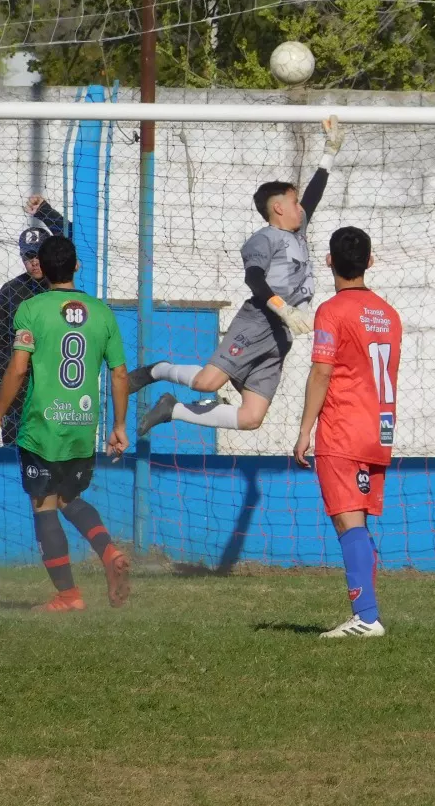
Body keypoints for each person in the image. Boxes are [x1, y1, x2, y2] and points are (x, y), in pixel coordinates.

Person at [131, 117, 345, 435]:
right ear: (278, 208)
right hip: (259, 321)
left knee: (251, 418)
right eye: (294, 201)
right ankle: (157, 370)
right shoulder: (265, 238)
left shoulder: (298, 233)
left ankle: (171, 410)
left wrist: (330, 150)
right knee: (207, 383)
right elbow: (255, 279)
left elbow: (313, 195)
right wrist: (283, 308)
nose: (301, 207)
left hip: (281, 336)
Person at [0, 235, 131, 612]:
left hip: (42, 426)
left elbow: (17, 368)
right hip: (83, 426)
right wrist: (120, 425)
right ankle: (108, 550)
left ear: (42, 270)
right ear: (77, 266)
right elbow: (120, 374)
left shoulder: (30, 309)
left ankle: (68, 595)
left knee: (44, 505)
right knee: (69, 498)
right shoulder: (103, 312)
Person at [294, 226, 402, 639]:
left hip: (343, 429)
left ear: (329, 262)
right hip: (379, 429)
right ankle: (367, 613)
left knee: (347, 523)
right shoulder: (389, 314)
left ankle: (367, 617)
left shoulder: (332, 311)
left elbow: (322, 371)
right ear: (370, 262)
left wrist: (305, 430)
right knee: (356, 523)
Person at [0, 195, 71, 445]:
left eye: (38, 255)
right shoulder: (11, 291)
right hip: (20, 394)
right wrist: (1, 401)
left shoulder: (61, 287)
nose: (33, 261)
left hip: (56, 391)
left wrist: (45, 212)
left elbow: (79, 240)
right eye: (27, 255)